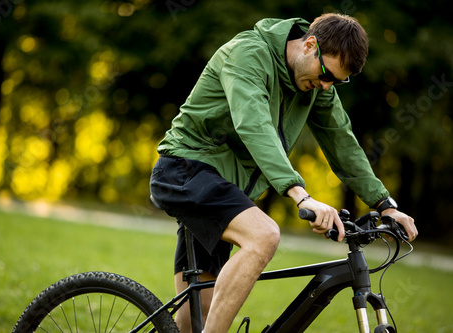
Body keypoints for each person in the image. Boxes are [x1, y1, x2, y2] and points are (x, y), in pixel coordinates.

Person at [150, 13, 418, 333]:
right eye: (327, 74)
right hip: (185, 169)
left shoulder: (316, 85)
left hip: (223, 189)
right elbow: (254, 125)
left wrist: (385, 204)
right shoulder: (247, 55)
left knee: (198, 318)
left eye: (337, 81)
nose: (326, 85)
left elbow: (342, 143)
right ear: (309, 45)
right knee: (264, 235)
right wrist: (300, 194)